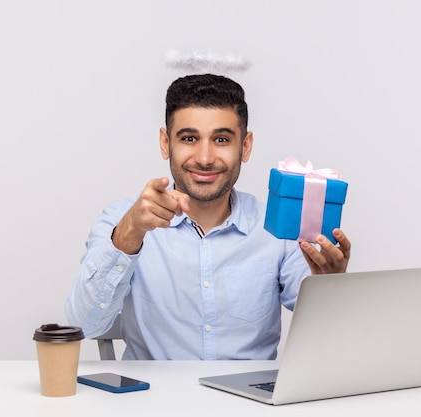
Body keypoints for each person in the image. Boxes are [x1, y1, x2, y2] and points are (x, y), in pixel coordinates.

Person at [65, 74, 351, 360]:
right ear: (166, 143)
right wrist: (129, 233)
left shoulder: (277, 228)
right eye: (189, 138)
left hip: (249, 402)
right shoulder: (122, 220)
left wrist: (330, 288)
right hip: (154, 400)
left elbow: (328, 341)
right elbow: (85, 326)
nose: (204, 157)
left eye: (221, 139)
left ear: (246, 146)